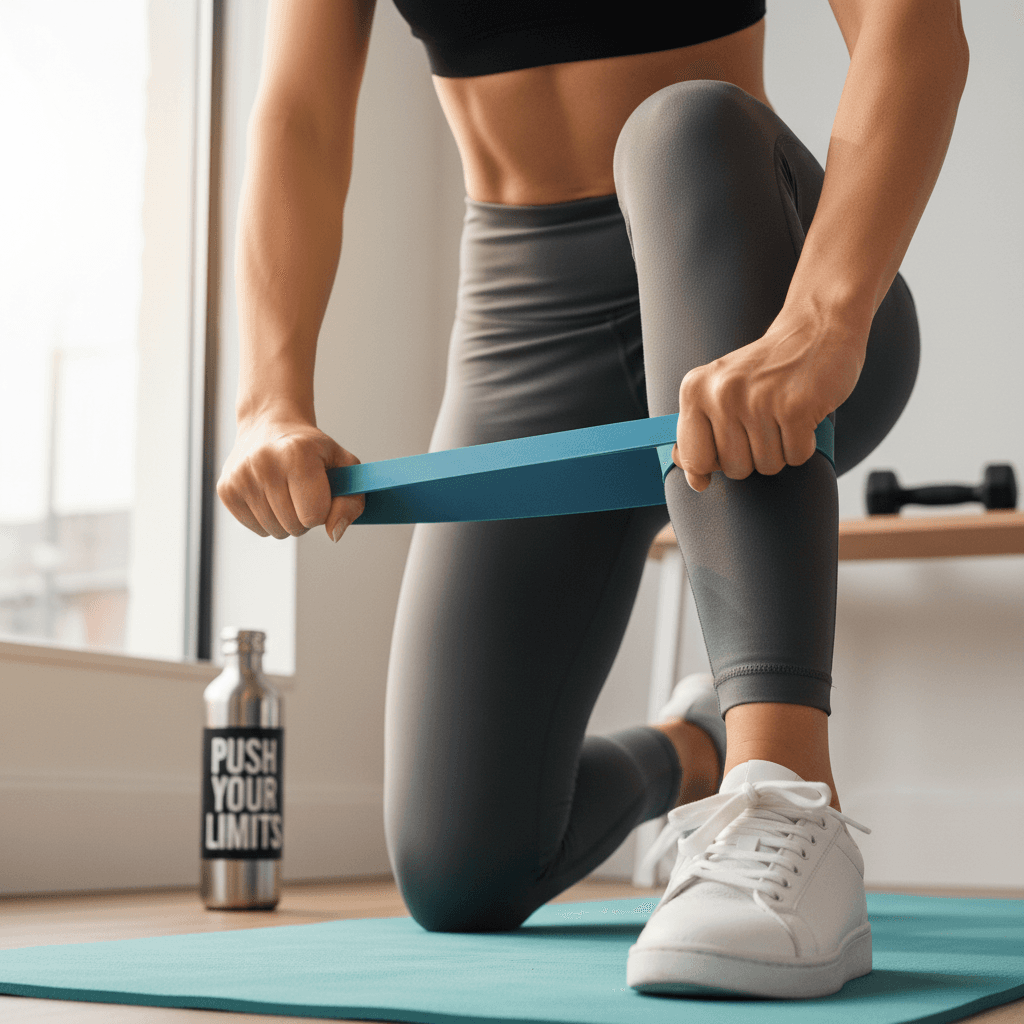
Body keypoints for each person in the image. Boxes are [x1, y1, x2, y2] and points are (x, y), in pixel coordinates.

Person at [217, 0, 969, 999]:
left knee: (680, 124)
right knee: (461, 872)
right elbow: (299, 116)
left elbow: (912, 28)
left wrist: (822, 320)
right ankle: (692, 749)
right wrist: (270, 401)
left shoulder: (790, 294)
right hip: (523, 319)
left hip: (748, 267)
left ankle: (784, 788)